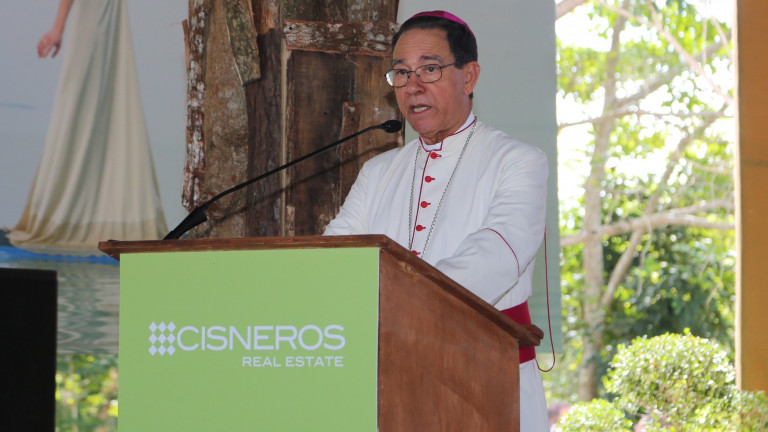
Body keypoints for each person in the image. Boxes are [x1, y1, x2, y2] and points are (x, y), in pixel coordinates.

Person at [324, 10, 549, 430]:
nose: (413, 86)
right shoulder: (379, 171)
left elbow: (498, 254)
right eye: (401, 73)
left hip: (487, 376)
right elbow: (335, 258)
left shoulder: (517, 161)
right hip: (386, 380)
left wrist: (402, 303)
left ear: (469, 76)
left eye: (429, 69)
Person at [9, 0, 167, 255]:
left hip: (109, 16)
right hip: (93, 16)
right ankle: (65, 212)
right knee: (81, 100)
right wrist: (58, 27)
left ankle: (92, 213)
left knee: (109, 100)